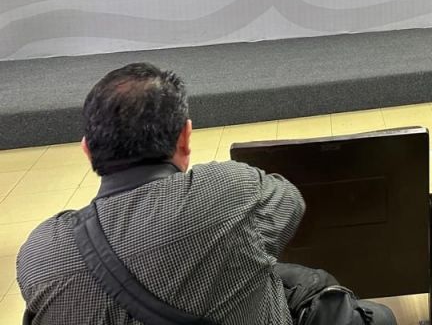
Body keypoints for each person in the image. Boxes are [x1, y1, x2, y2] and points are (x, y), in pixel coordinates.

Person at [17, 62, 394, 325]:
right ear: (185, 137)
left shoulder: (40, 254)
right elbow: (289, 202)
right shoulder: (229, 190)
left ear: (87, 150)